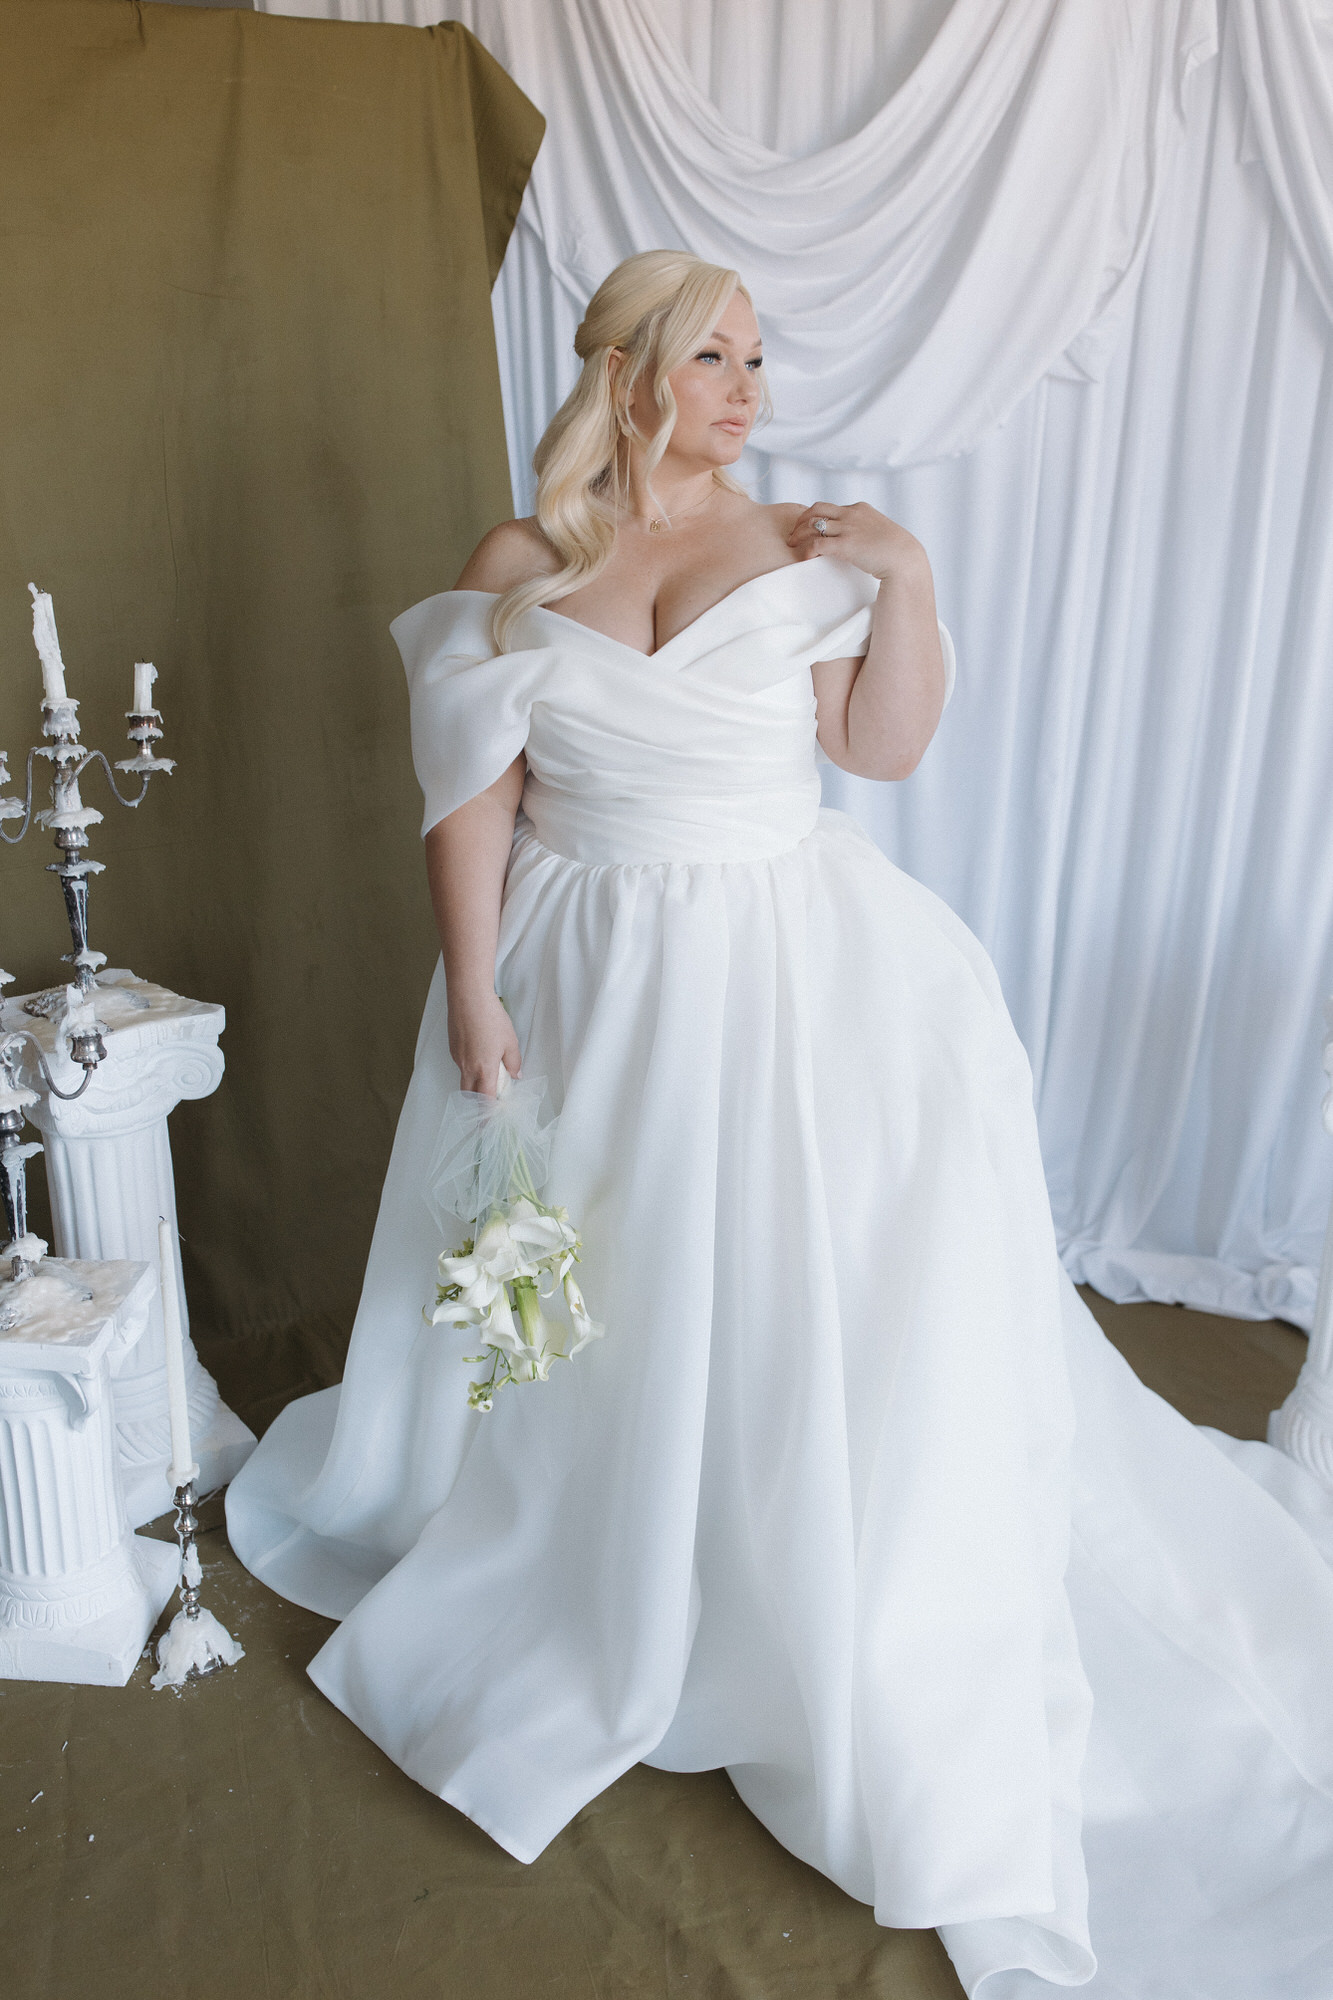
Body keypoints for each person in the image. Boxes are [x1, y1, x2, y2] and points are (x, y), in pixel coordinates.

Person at [228, 251, 1333, 1996]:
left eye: (758, 360)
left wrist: (906, 582)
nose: (748, 392)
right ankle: (598, 1541)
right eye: (714, 360)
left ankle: (777, 1558)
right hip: (584, 967)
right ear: (628, 375)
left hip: (782, 965)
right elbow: (470, 802)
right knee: (600, 1277)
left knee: (776, 1271)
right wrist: (474, 989)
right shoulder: (519, 567)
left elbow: (879, 752)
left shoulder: (798, 549)